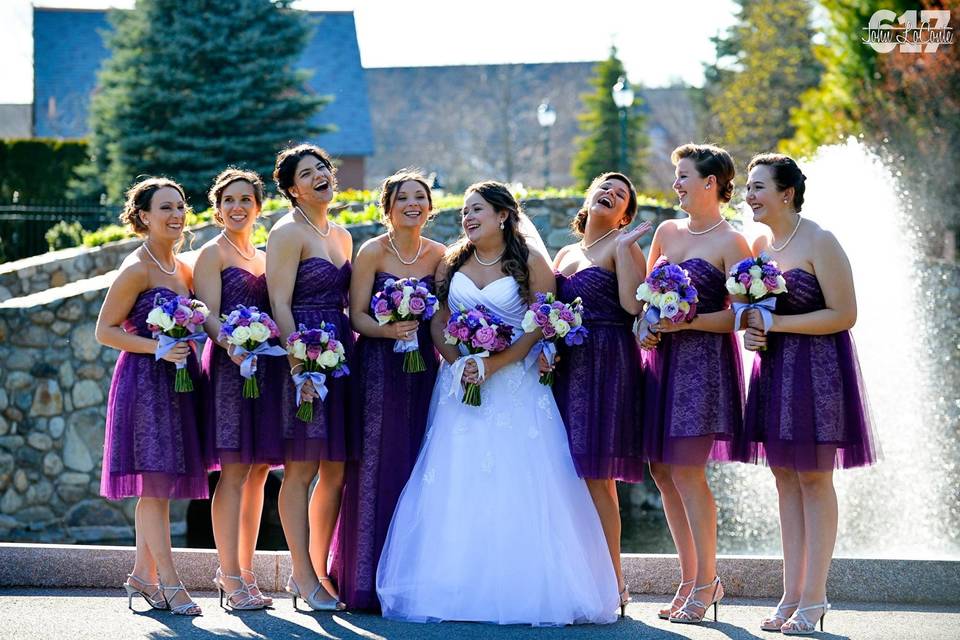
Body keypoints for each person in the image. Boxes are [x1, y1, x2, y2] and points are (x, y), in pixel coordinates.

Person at [376, 181, 619, 626]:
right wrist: (460, 363)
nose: (467, 218)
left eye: (478, 210)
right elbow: (438, 321)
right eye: (465, 211)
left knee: (520, 479)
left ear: (503, 215)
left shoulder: (531, 263)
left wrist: (496, 364)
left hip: (517, 387)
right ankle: (457, 584)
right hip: (461, 388)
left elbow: (538, 324)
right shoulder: (452, 263)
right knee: (458, 479)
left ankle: (528, 587)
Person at [740, 153, 878, 635]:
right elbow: (756, 314)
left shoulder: (821, 240)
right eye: (749, 187)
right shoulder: (759, 244)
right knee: (783, 478)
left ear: (786, 193)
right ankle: (790, 592)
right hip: (775, 370)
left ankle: (815, 598)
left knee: (815, 479)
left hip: (818, 371)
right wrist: (753, 331)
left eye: (758, 187)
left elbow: (845, 314)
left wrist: (778, 323)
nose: (749, 196)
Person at [640, 143, 750, 624]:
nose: (677, 184)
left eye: (684, 176)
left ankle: (707, 582)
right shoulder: (665, 231)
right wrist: (645, 323)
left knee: (687, 471)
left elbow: (739, 318)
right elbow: (646, 297)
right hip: (660, 363)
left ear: (711, 182)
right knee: (662, 472)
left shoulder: (733, 243)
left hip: (702, 368)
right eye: (676, 176)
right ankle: (690, 579)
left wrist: (688, 321)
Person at [330, 170, 445, 610]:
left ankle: (412, 582)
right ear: (388, 206)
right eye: (403, 198)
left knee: (417, 461)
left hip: (421, 370)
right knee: (375, 462)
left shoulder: (439, 255)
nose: (412, 204)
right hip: (377, 368)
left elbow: (438, 318)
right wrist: (386, 329)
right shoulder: (372, 251)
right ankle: (361, 580)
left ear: (430, 208)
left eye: (420, 197)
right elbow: (355, 314)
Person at [96, 177, 206, 616]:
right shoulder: (136, 268)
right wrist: (155, 346)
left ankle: (142, 577)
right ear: (144, 216)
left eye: (180, 207)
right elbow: (104, 332)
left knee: (163, 485)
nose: (177, 215)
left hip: (179, 382)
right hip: (144, 384)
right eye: (166, 208)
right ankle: (171, 585)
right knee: (155, 486)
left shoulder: (183, 268)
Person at [551, 172, 650, 615]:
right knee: (568, 474)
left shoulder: (621, 246)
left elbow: (632, 306)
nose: (609, 194)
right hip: (566, 365)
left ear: (625, 212)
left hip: (607, 360)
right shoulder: (565, 253)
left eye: (621, 194)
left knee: (599, 476)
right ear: (587, 197)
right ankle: (575, 577)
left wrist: (628, 247)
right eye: (603, 188)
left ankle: (615, 582)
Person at [266, 144, 354, 611]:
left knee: (335, 469)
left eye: (323, 167)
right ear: (292, 188)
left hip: (340, 355)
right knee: (299, 469)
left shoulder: (341, 235)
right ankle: (301, 575)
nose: (321, 175)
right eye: (308, 172)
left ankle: (320, 569)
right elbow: (279, 302)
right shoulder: (286, 232)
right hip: (303, 356)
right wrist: (298, 361)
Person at [195, 168, 281, 610]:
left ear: (259, 206)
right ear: (217, 207)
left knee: (260, 471)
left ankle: (247, 572)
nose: (238, 207)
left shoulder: (266, 256)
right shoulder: (211, 253)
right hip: (231, 370)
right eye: (229, 200)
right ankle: (227, 576)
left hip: (265, 370)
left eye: (246, 199)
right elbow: (207, 313)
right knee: (232, 473)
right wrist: (230, 342)